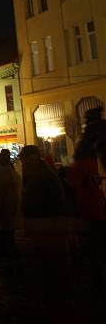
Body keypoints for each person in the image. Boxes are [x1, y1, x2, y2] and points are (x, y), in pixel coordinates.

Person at [19, 144, 71, 317]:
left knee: (50, 270)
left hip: (47, 229)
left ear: (32, 159)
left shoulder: (41, 177)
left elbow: (39, 204)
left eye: (23, 160)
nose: (22, 164)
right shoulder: (44, 174)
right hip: (47, 228)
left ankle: (54, 307)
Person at [67, 117, 106, 292]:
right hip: (94, 211)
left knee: (94, 249)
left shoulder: (85, 163)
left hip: (92, 211)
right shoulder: (90, 162)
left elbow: (74, 184)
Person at [0, 151, 21, 270]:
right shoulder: (13, 173)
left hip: (4, 212)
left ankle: (10, 264)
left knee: (6, 238)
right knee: (10, 237)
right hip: (13, 210)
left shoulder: (1, 176)